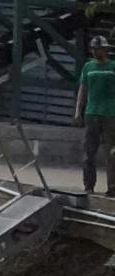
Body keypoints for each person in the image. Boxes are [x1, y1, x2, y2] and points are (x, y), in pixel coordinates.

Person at [76, 36, 115, 196]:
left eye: (98, 49)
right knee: (88, 152)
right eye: (93, 49)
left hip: (110, 114)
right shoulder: (88, 67)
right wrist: (78, 111)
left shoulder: (113, 67)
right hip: (91, 113)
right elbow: (83, 90)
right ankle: (89, 186)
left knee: (111, 153)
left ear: (105, 50)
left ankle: (112, 187)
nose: (95, 51)